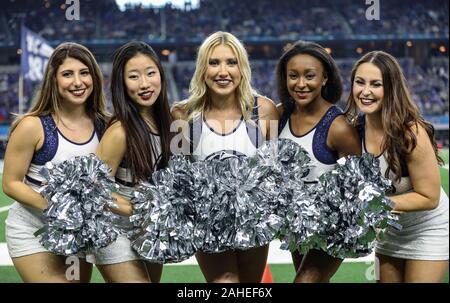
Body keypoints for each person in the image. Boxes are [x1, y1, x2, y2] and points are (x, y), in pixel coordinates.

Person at [172, 31, 279, 283]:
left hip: (253, 220)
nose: (223, 71)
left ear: (242, 68)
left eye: (231, 62)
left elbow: (274, 171)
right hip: (206, 222)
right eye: (214, 62)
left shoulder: (264, 111)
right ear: (202, 68)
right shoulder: (182, 115)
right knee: (225, 282)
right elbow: (177, 176)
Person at [3, 42, 108, 282]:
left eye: (84, 73)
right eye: (67, 74)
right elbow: (10, 183)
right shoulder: (33, 125)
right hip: (33, 229)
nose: (78, 82)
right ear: (54, 79)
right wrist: (60, 210)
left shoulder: (105, 126)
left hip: (77, 233)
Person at [345, 50, 449, 283]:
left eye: (376, 84)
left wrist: (371, 204)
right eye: (359, 82)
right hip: (390, 231)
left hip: (428, 228)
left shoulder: (410, 133)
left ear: (391, 88)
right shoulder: (352, 130)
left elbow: (429, 197)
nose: (366, 91)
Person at [275, 40, 361, 283]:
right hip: (297, 224)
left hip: (334, 226)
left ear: (325, 78)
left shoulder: (339, 126)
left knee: (305, 280)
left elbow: (360, 187)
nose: (301, 84)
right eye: (293, 76)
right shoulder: (279, 116)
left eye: (310, 76)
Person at [93, 41, 172, 282]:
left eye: (151, 73)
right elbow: (93, 188)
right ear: (121, 84)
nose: (145, 83)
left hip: (149, 230)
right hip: (115, 230)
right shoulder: (120, 131)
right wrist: (138, 210)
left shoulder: (168, 124)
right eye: (134, 76)